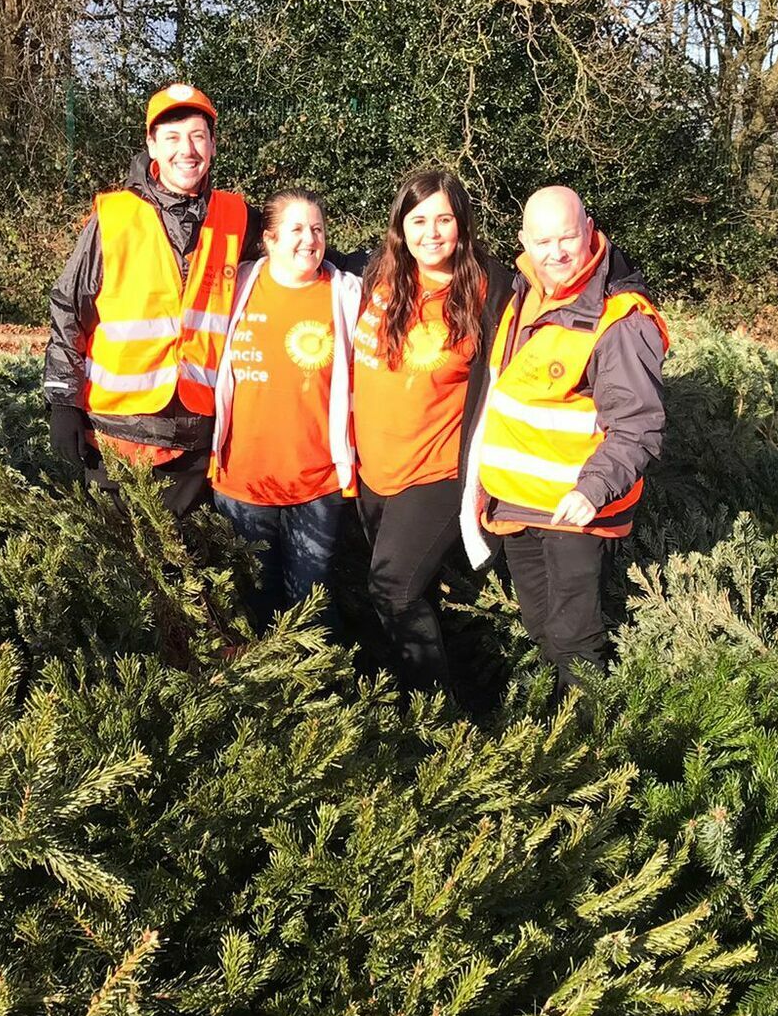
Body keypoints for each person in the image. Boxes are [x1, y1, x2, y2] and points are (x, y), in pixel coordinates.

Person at [461, 185, 667, 691]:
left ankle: (592, 750)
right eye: (543, 240)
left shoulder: (620, 319)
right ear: (523, 241)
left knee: (575, 641)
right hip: (515, 505)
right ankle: (556, 734)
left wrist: (591, 490)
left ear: (589, 229)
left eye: (568, 238)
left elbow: (638, 423)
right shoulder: (522, 291)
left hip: (574, 509)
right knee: (542, 630)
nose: (556, 253)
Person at [43, 83, 256, 516]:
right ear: (152, 145)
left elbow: (297, 254)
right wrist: (62, 401)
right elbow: (69, 309)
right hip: (116, 441)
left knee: (185, 578)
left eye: (198, 136)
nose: (187, 149)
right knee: (118, 576)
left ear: (213, 145)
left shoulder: (237, 218)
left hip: (198, 440)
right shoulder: (114, 217)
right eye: (173, 137)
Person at [350, 168, 507, 692]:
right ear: (400, 227)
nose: (431, 232)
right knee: (413, 593)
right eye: (419, 220)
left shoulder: (491, 290)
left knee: (393, 589)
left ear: (462, 224)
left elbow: (563, 276)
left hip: (436, 472)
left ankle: (432, 719)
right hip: (374, 473)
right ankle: (424, 679)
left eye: (444, 219)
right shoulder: (381, 274)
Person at [210, 188, 363, 625]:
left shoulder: (347, 293)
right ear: (270, 239)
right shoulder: (235, 286)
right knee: (252, 605)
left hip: (318, 484)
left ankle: (322, 690)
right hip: (242, 483)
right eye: (295, 229)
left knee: (313, 610)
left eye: (317, 229)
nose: (309, 239)